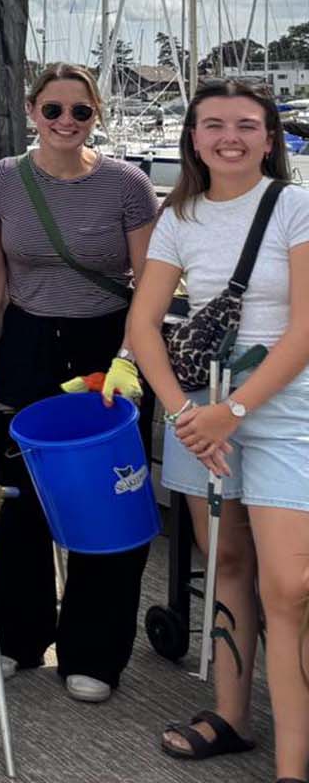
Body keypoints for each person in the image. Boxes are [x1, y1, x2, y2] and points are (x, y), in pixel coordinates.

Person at [0, 64, 156, 701]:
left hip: (106, 347)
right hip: (29, 343)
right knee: (18, 497)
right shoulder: (1, 179)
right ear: (32, 111)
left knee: (105, 500)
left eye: (80, 112)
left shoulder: (128, 185)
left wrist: (130, 361)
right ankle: (16, 636)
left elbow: (150, 285)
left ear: (97, 117)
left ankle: (94, 651)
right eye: (53, 110)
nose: (65, 123)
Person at [126, 80, 309, 776]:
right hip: (200, 412)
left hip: (284, 412)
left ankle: (293, 761)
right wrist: (183, 414)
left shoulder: (295, 207)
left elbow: (305, 328)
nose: (228, 136)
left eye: (245, 124)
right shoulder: (181, 217)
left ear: (270, 137)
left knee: (288, 587)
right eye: (212, 125)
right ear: (193, 138)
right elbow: (143, 325)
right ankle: (232, 716)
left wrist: (229, 413)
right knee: (226, 564)